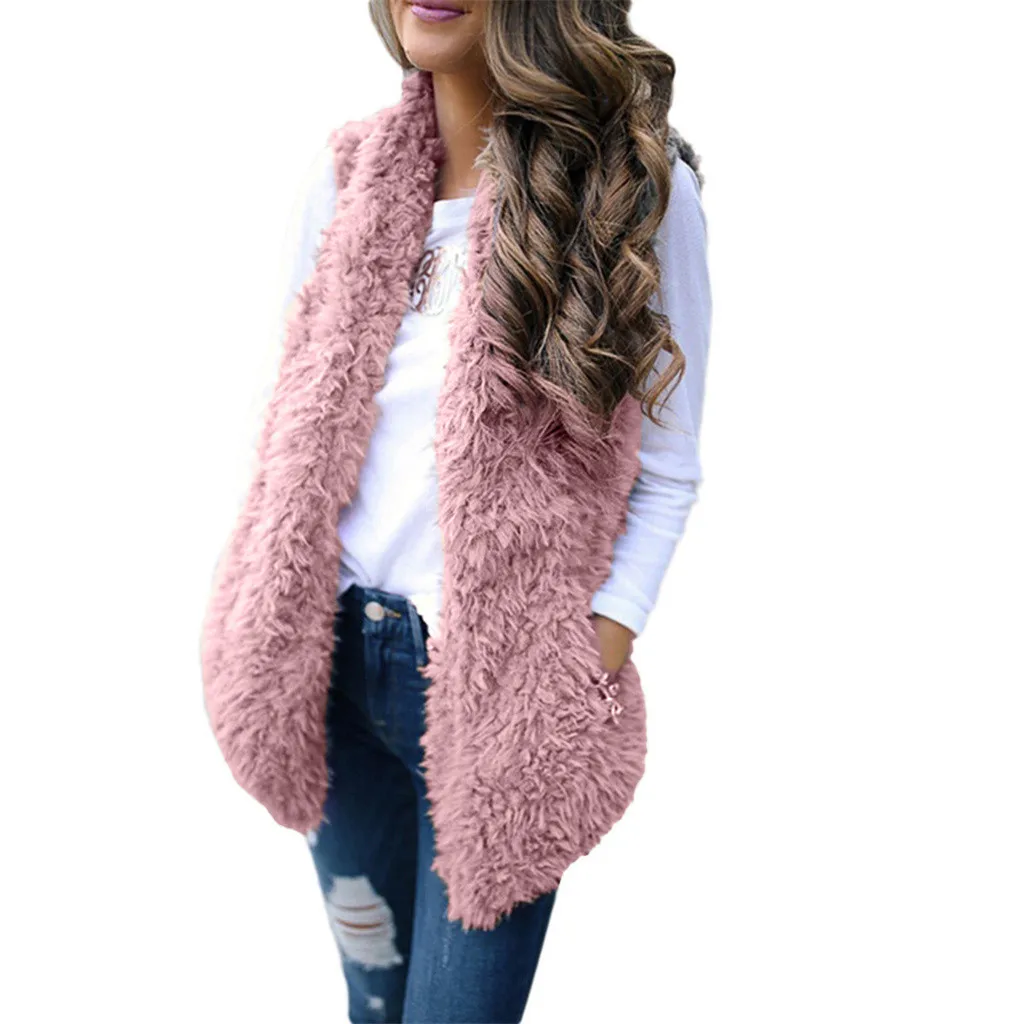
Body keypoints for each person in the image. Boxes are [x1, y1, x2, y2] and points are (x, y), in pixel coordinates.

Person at [200, 2, 711, 1021]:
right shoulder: (345, 175)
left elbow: (669, 467)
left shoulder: (634, 190)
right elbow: (286, 415)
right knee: (374, 1000)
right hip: (327, 666)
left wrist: (588, 654)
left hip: (504, 700)